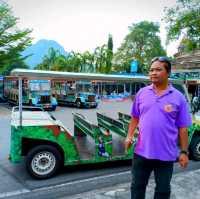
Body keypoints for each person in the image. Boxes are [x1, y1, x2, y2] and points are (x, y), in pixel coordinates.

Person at [125, 56, 192, 199]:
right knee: (137, 187)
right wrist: (129, 136)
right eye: (151, 70)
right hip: (142, 152)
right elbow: (135, 117)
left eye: (158, 70)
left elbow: (183, 128)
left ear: (168, 73)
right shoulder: (142, 93)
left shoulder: (178, 98)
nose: (153, 73)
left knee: (162, 191)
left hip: (166, 154)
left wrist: (184, 152)